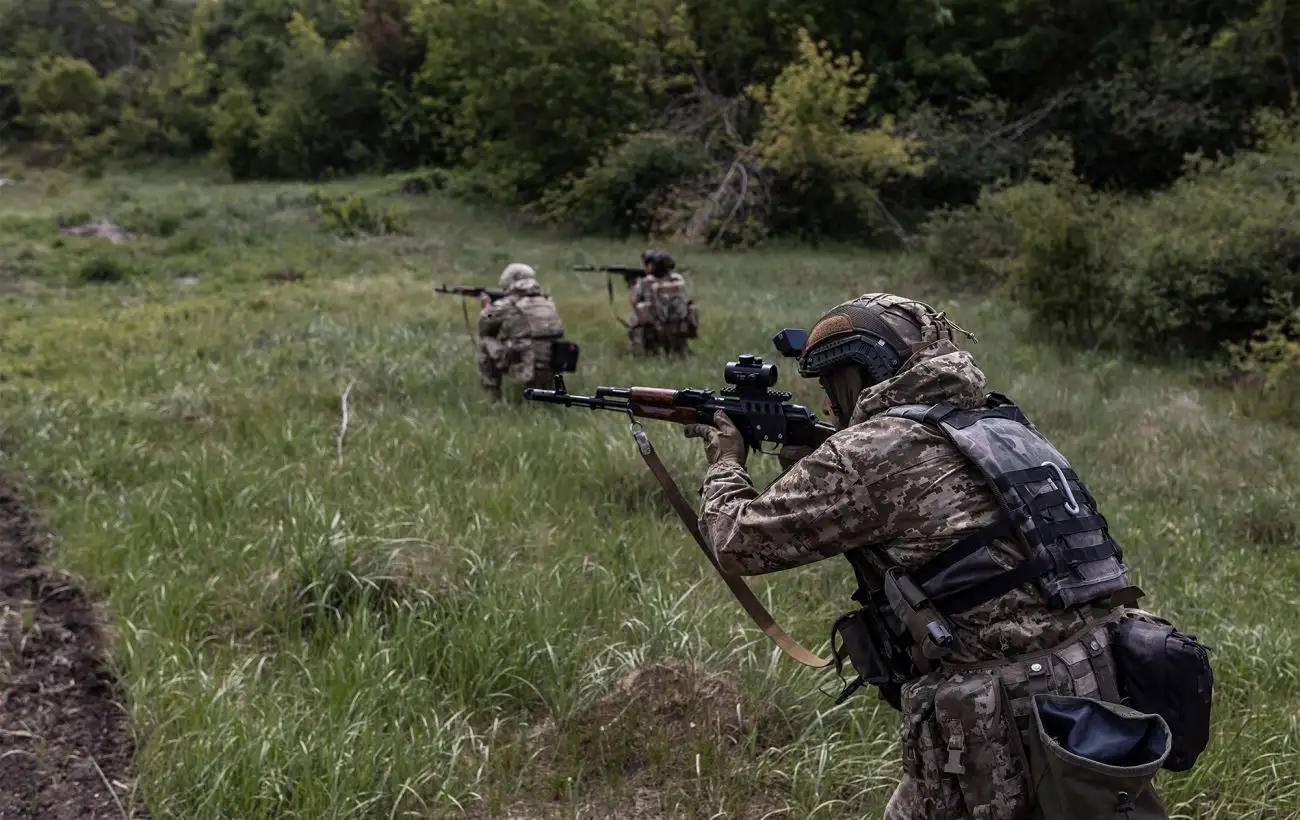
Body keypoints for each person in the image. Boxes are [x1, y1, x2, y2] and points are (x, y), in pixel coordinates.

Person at [682, 293, 1166, 820]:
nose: (826, 406)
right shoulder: (999, 421)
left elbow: (736, 541)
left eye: (832, 386)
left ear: (863, 373)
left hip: (1000, 715)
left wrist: (726, 462)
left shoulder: (871, 451)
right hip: (1090, 680)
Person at [477, 263, 564, 400]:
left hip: (527, 363)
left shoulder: (506, 304)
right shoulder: (547, 301)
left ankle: (493, 397)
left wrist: (486, 308)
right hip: (553, 363)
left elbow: (485, 329)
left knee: (486, 344)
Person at [627, 250, 698, 357]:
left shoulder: (646, 282)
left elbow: (634, 301)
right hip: (679, 322)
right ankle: (680, 348)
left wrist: (632, 285)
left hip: (656, 323)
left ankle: (641, 350)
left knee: (635, 315)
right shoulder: (677, 279)